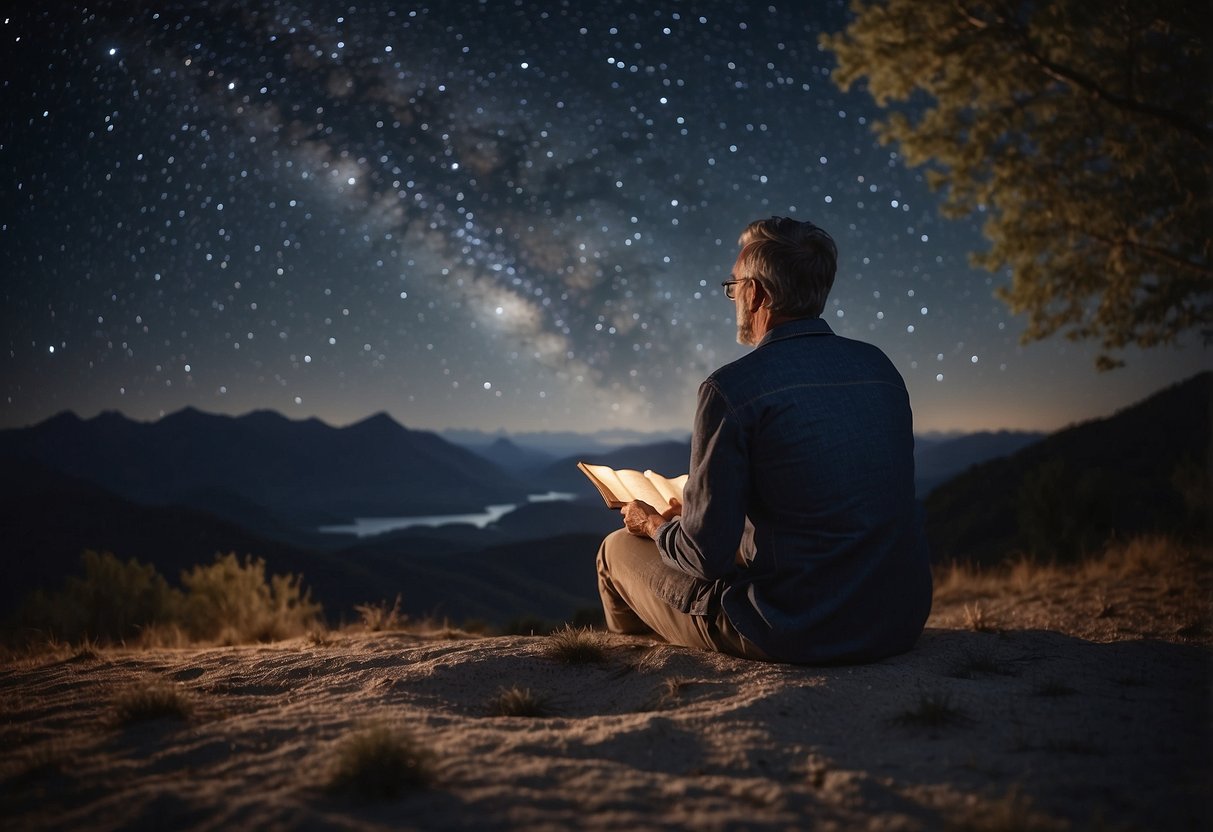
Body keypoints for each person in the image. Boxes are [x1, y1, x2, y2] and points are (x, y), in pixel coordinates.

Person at [596, 216, 932, 664]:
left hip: (797, 626)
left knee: (615, 550)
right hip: (897, 619)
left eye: (733, 287)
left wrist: (654, 523)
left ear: (756, 293)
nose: (733, 297)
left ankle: (634, 674)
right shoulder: (880, 370)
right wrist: (698, 518)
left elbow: (704, 558)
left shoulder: (732, 389)